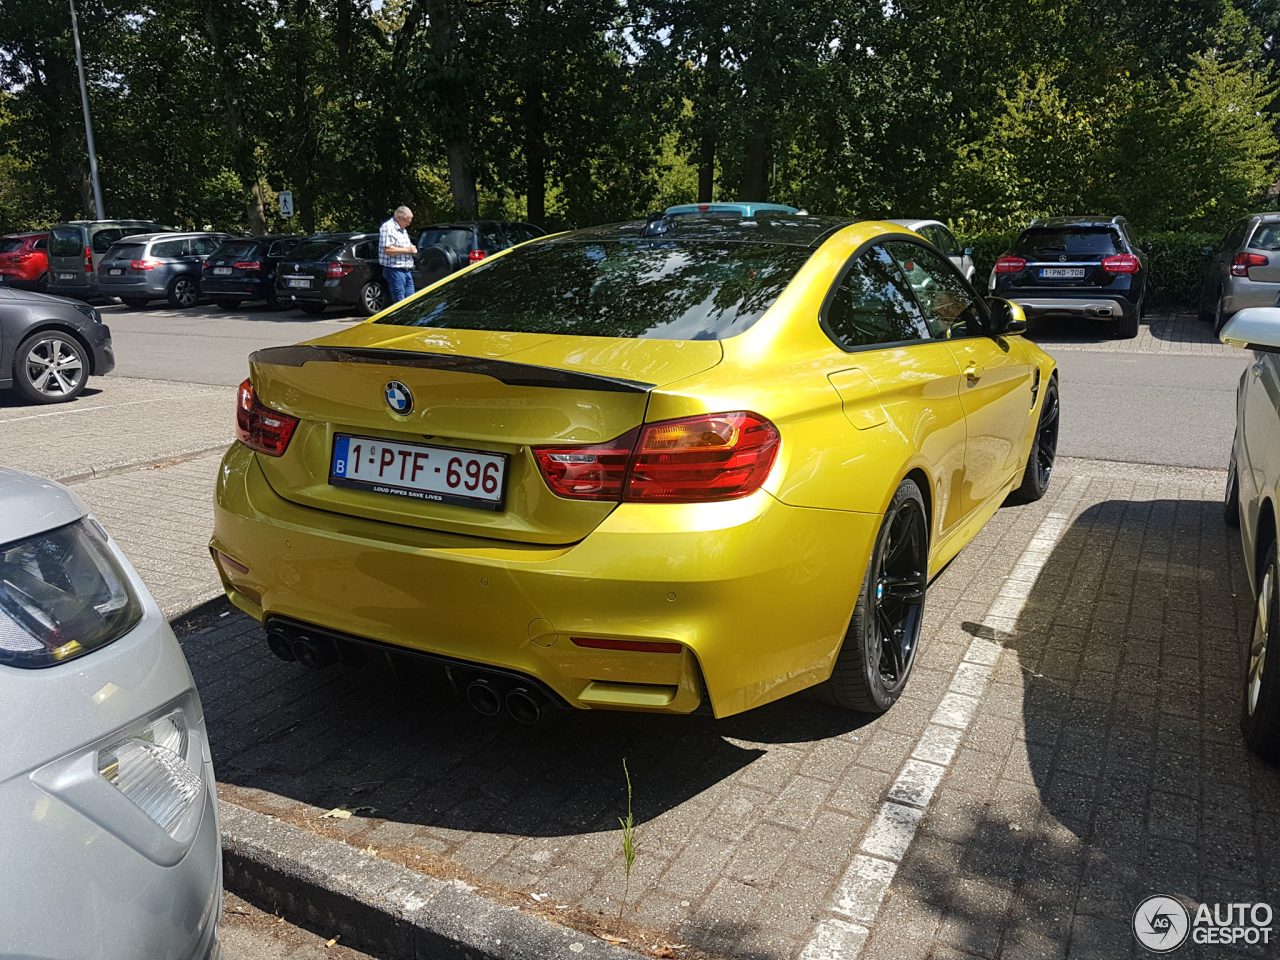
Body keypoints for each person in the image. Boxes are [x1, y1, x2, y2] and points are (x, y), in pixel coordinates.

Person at [379, 205, 417, 304]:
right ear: (399, 217)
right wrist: (408, 250)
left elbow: (404, 246)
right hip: (395, 270)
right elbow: (387, 249)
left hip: (407, 270)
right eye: (407, 221)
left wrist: (412, 248)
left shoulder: (402, 229)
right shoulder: (388, 227)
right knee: (400, 303)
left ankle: (409, 319)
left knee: (411, 302)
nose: (408, 224)